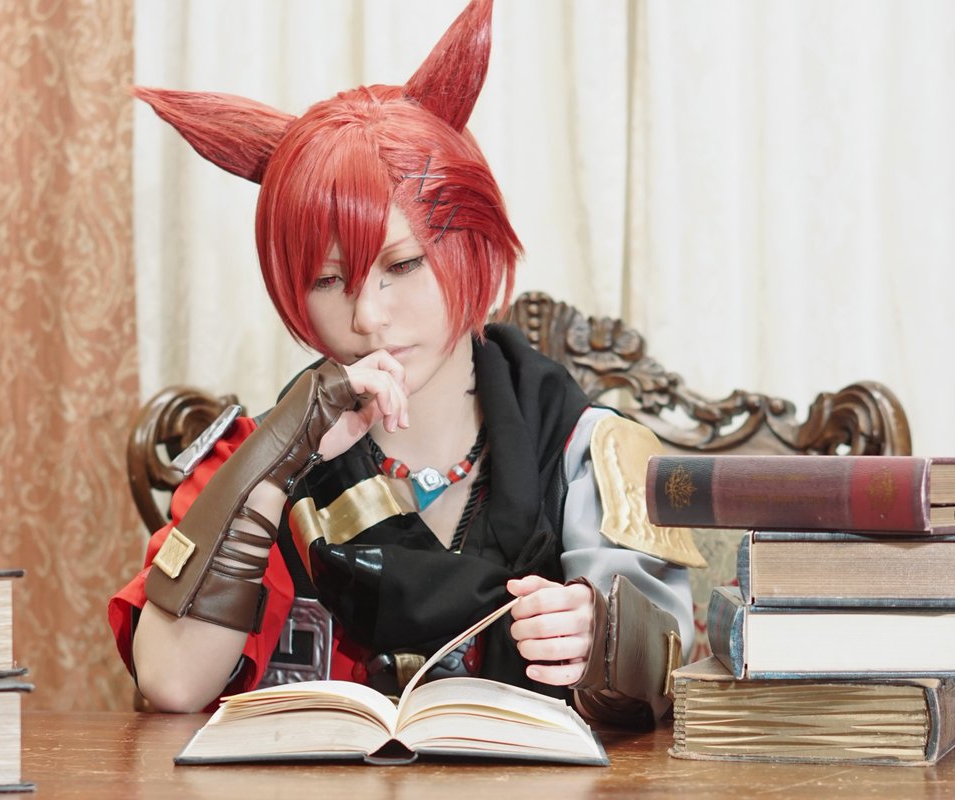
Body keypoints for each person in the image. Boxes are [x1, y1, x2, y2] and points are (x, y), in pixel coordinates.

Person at [109, 0, 702, 728]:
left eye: (403, 264)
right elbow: (169, 682)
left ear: (472, 245)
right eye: (328, 280)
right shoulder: (255, 456)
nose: (367, 316)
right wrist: (273, 471)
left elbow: (669, 671)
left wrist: (597, 635)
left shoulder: (588, 451)